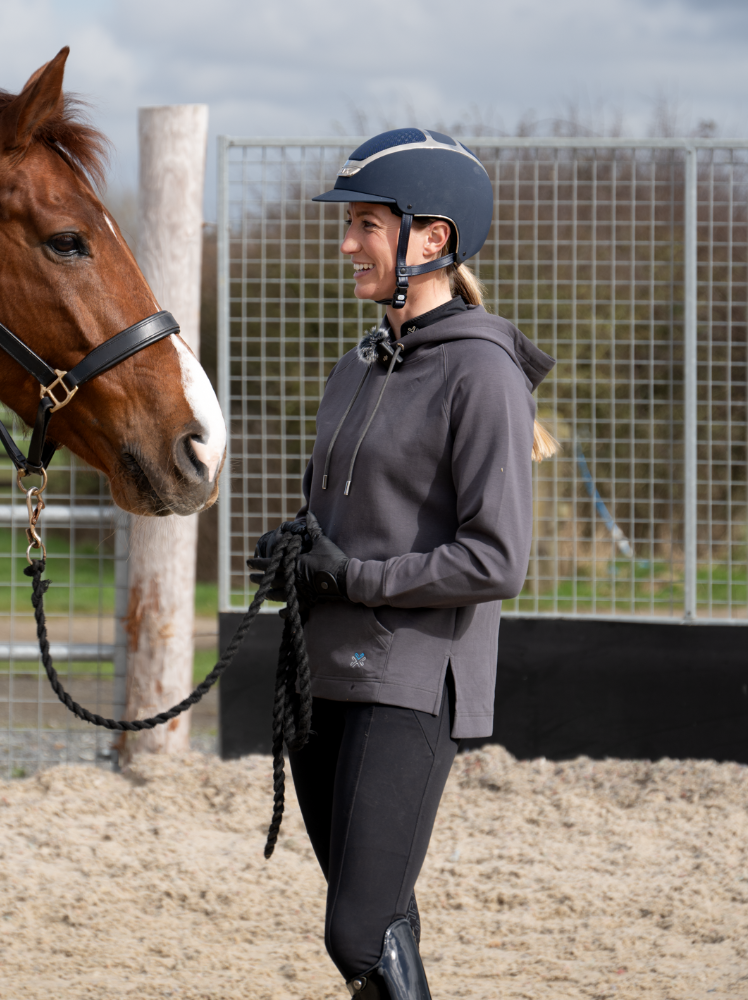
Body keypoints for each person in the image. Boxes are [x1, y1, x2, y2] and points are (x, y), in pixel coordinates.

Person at [248, 128, 557, 1000]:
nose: (347, 242)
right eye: (350, 223)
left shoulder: (484, 375)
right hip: (321, 676)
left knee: (357, 928)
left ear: (434, 238)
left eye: (368, 223)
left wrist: (356, 578)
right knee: (382, 915)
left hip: (412, 681)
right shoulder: (356, 365)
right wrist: (297, 548)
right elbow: (347, 513)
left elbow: (496, 559)